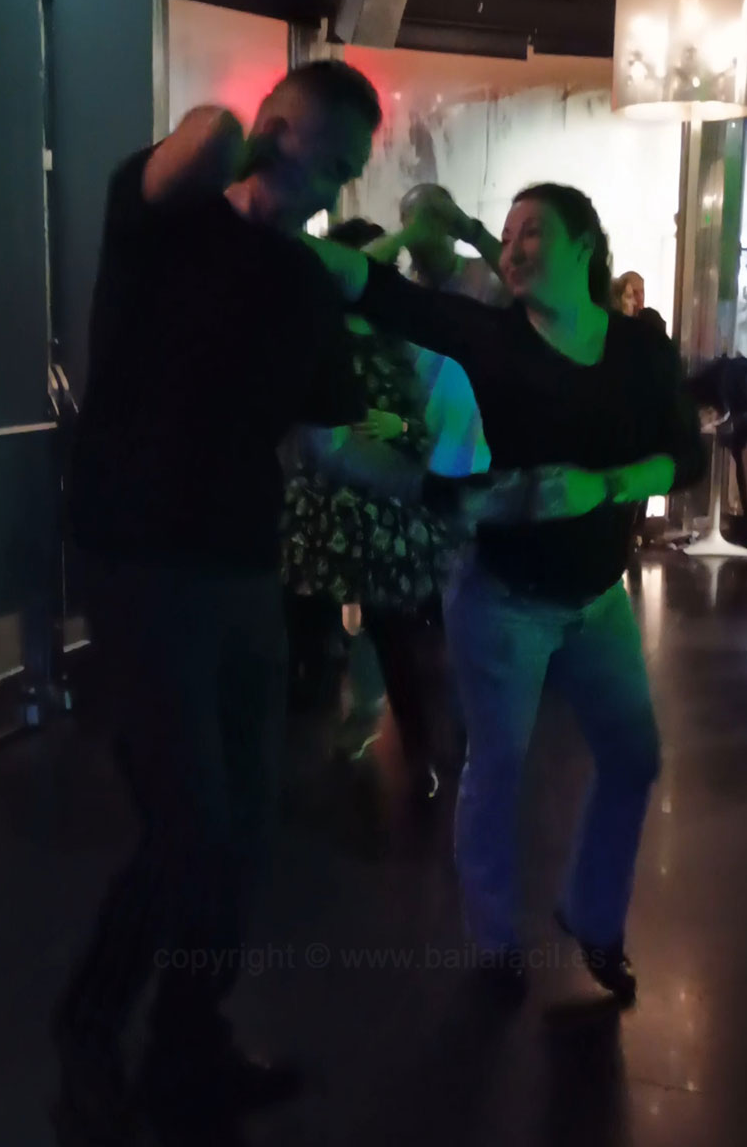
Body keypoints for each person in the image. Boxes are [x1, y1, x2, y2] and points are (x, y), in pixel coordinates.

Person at [58, 62, 383, 1139]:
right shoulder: (163, 216)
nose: (335, 189)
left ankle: (187, 1043)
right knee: (187, 824)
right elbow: (202, 140)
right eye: (333, 161)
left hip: (242, 567)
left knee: (242, 827)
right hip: (137, 560)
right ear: (280, 130)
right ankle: (89, 1034)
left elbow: (332, 442)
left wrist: (438, 471)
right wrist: (250, 135)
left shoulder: (303, 284)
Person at [305, 183, 705, 1004]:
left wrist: (606, 485)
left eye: (534, 232)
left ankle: (593, 917)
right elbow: (376, 289)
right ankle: (494, 943)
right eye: (509, 233)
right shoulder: (492, 338)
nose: (514, 247)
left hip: (597, 600)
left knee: (633, 756)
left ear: (586, 244)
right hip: (502, 596)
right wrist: (274, 230)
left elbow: (685, 457)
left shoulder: (638, 348)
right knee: (498, 766)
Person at [282, 217, 461, 802]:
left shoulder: (398, 341)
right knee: (309, 639)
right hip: (326, 507)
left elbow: (428, 427)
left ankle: (416, 752)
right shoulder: (319, 331)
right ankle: (295, 761)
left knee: (394, 637)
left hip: (384, 507)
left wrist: (399, 426)